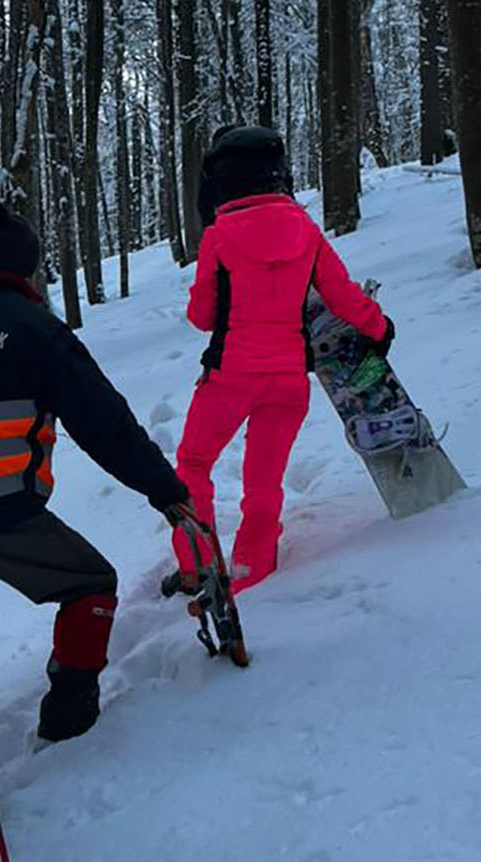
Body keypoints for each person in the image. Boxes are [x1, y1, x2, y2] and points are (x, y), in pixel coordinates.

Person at [0, 200, 189, 742]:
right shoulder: (38, 331)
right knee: (89, 582)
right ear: (30, 267)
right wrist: (165, 491)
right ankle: (69, 718)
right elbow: (104, 423)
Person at [168, 126, 392, 595]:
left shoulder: (219, 235)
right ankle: (254, 573)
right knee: (264, 484)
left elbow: (202, 317)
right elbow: (342, 296)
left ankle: (199, 566)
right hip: (289, 379)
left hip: (230, 375)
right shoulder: (305, 230)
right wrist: (379, 327)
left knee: (192, 463)